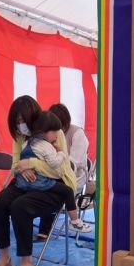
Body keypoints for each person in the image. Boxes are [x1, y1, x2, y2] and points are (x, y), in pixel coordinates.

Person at [0, 96, 76, 266]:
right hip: (25, 182)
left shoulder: (52, 131)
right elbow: (15, 163)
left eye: (22, 121)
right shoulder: (20, 136)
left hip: (55, 185)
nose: (20, 125)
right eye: (17, 122)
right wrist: (23, 167)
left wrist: (31, 163)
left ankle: (26, 263)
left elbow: (58, 168)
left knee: (20, 206)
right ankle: (4, 258)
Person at [16, 110, 92, 232]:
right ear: (45, 130)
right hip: (39, 181)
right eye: (55, 131)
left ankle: (44, 230)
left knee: (59, 189)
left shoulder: (29, 141)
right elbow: (54, 163)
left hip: (27, 180)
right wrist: (61, 152)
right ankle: (75, 222)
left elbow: (72, 164)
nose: (58, 134)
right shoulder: (45, 145)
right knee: (66, 191)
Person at [36, 102, 91, 239]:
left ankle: (44, 231)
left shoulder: (77, 133)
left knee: (53, 189)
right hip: (53, 171)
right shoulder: (47, 134)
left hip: (75, 175)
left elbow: (74, 162)